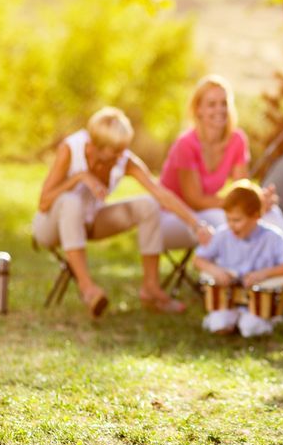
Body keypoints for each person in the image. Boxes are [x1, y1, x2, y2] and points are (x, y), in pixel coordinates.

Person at [33, 107, 210, 317]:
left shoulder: (124, 160)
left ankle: (151, 289)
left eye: (123, 148)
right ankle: (87, 289)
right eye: (115, 150)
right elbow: (44, 202)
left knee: (148, 204)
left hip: (90, 223)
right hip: (49, 227)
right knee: (72, 201)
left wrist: (196, 224)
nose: (120, 156)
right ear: (96, 145)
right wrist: (79, 178)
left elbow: (161, 194)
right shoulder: (71, 149)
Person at [159, 75, 283, 252]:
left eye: (223, 103)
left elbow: (242, 187)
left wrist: (258, 199)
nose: (220, 109)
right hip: (174, 217)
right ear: (198, 109)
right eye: (212, 104)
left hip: (207, 212)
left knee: (270, 213)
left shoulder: (237, 139)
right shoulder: (185, 144)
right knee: (226, 222)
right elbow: (194, 200)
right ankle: (241, 275)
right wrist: (240, 205)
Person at [193, 180, 283, 337]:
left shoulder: (273, 237)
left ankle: (259, 321)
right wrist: (215, 270)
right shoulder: (223, 234)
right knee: (219, 325)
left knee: (250, 329)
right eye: (228, 219)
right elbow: (198, 259)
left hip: (259, 303)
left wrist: (264, 274)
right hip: (229, 301)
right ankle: (230, 320)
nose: (232, 225)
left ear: (256, 216)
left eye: (237, 220)